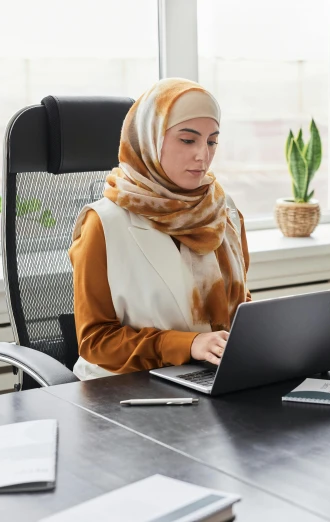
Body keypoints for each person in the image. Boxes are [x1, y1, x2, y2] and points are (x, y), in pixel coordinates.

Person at [68, 78, 251, 380]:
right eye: (187, 140)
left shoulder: (223, 209)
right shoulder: (103, 223)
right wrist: (188, 344)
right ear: (150, 139)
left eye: (212, 141)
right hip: (126, 389)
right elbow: (95, 342)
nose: (202, 155)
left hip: (212, 378)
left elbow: (239, 306)